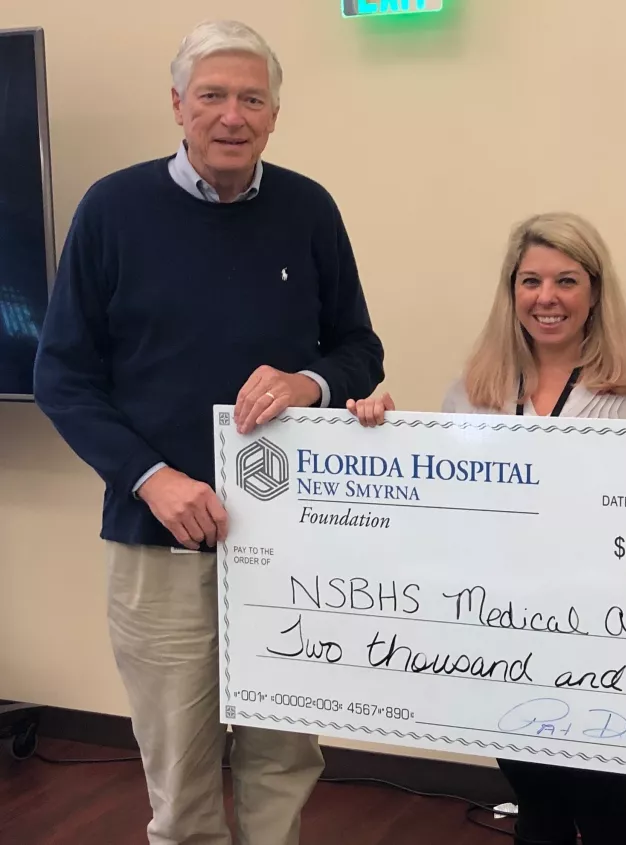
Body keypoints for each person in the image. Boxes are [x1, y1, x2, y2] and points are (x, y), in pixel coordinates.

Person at [33, 19, 385, 845]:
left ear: (274, 113)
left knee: (282, 755)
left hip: (292, 541)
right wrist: (151, 477)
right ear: (178, 106)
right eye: (213, 96)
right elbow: (62, 375)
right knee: (181, 772)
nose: (233, 115)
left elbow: (359, 350)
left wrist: (311, 381)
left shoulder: (308, 207)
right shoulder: (113, 209)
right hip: (161, 542)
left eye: (252, 99)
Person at [349, 211, 626, 844]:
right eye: (531, 281)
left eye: (566, 281)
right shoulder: (473, 391)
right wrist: (379, 432)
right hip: (504, 637)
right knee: (537, 806)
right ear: (511, 291)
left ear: (594, 292)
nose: (547, 298)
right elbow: (440, 507)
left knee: (604, 809)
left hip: (606, 640)